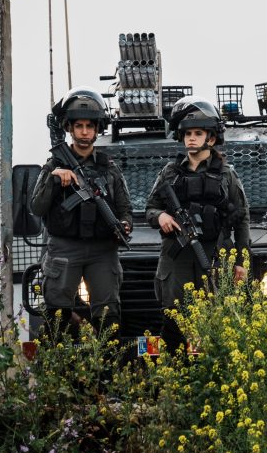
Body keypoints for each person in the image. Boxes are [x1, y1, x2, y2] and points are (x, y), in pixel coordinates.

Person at [145, 96, 250, 356]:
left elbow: (243, 218)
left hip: (214, 254)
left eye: (198, 133)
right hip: (177, 257)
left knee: (216, 319)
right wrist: (161, 217)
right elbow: (150, 208)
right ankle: (171, 378)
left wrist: (240, 261)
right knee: (173, 321)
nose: (192, 138)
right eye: (187, 133)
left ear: (211, 138)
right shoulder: (169, 173)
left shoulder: (227, 174)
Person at [31, 87, 133, 336]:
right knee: (57, 315)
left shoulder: (109, 169)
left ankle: (109, 372)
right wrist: (54, 179)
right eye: (79, 126)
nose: (85, 132)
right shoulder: (55, 165)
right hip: (65, 248)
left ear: (98, 129)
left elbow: (124, 207)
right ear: (69, 128)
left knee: (108, 318)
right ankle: (61, 370)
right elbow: (37, 207)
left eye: (90, 126)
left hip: (102, 250)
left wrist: (125, 223)